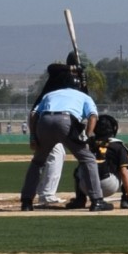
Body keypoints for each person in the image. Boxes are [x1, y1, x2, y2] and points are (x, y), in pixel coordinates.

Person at [20, 84, 112, 211]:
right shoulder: (84, 96)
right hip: (65, 120)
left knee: (37, 162)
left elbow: (34, 114)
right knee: (88, 159)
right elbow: (93, 116)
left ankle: (26, 202)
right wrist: (88, 136)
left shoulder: (50, 94)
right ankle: (97, 200)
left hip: (45, 121)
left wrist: (33, 137)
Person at [32, 52, 85, 207]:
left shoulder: (76, 81)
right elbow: (52, 67)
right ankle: (46, 195)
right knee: (55, 155)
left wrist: (82, 76)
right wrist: (74, 68)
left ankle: (43, 191)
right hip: (43, 117)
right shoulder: (59, 74)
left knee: (55, 154)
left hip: (49, 119)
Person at [64, 114, 128, 210]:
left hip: (87, 186)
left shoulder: (88, 144)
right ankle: (127, 199)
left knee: (80, 168)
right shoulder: (118, 145)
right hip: (108, 186)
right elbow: (123, 172)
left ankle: (80, 199)